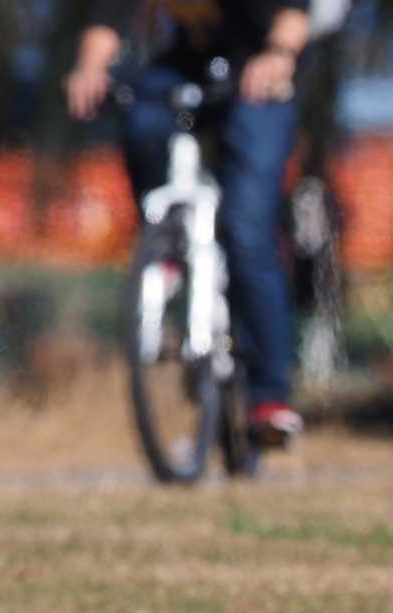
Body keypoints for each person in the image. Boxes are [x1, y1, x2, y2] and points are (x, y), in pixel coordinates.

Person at [64, 0, 310, 447]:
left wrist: (279, 55)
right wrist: (90, 68)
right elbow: (107, 18)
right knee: (142, 121)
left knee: (247, 230)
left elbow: (293, 13)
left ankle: (269, 397)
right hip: (184, 68)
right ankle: (166, 244)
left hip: (261, 71)